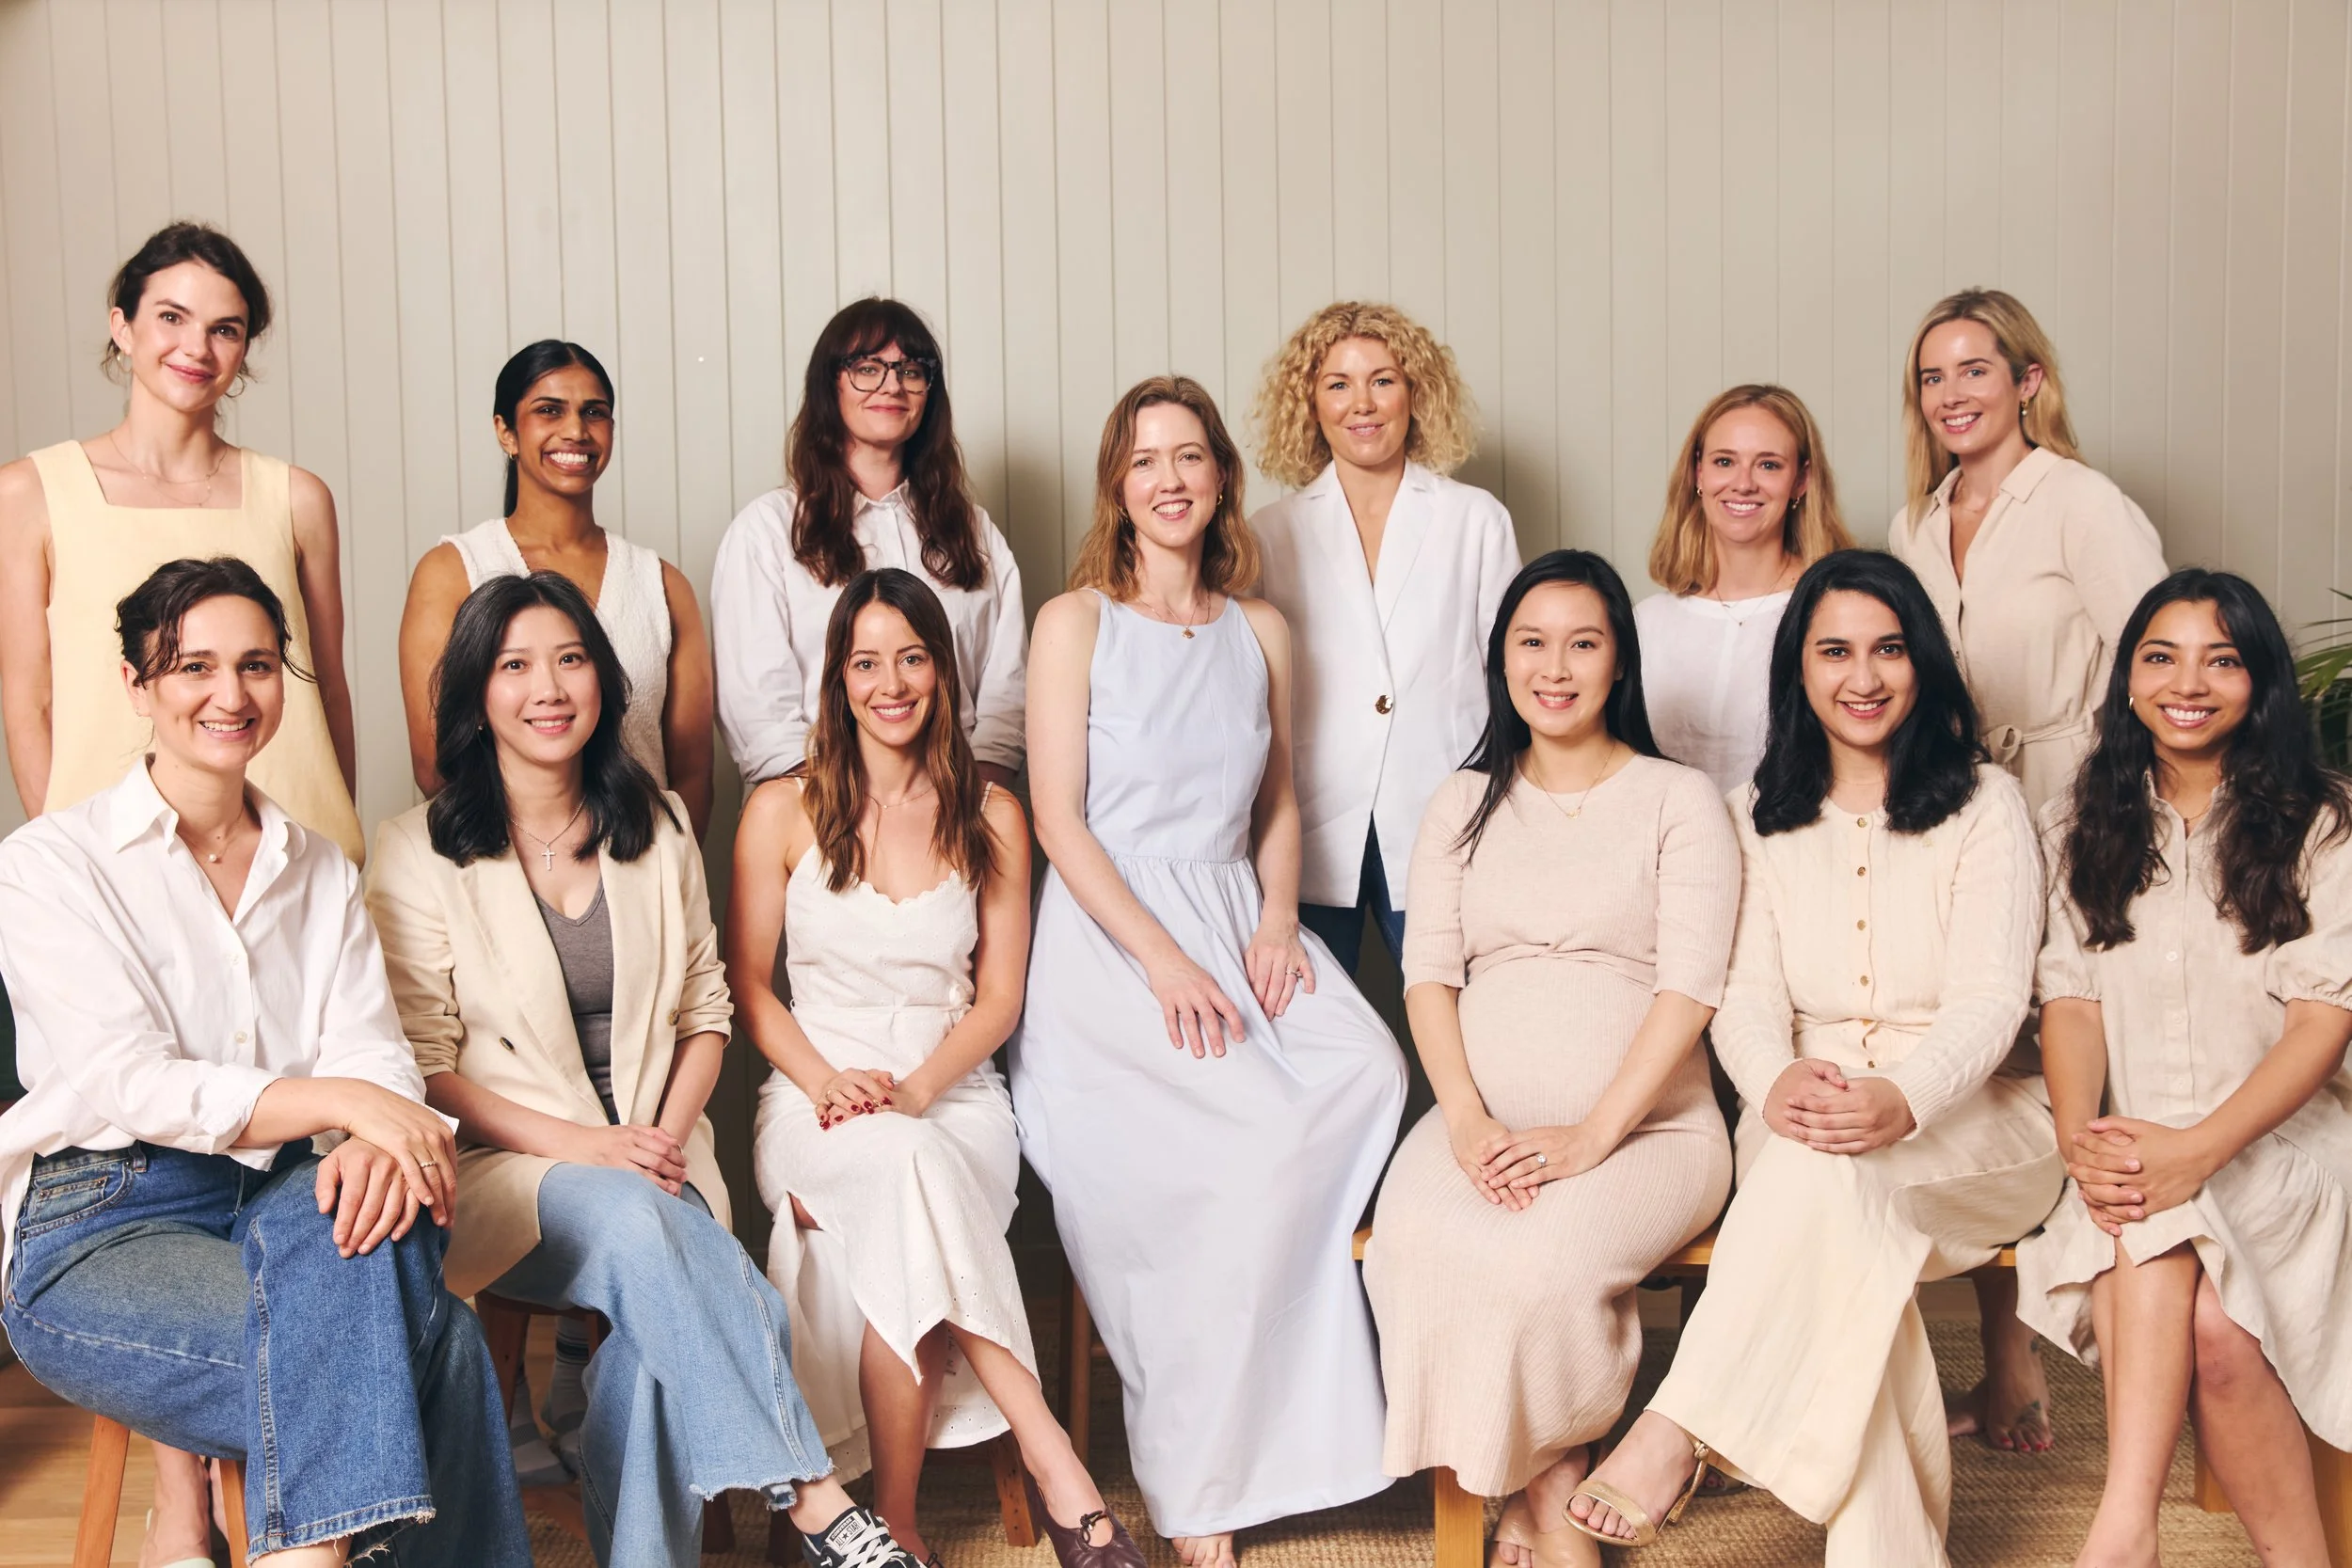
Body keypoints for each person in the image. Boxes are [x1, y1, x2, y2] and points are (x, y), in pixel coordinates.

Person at [363, 570, 921, 1568]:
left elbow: (708, 1010)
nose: (548, 687)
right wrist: (588, 1148)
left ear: (603, 682)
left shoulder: (656, 823)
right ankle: (817, 1497)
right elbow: (427, 1067)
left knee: (657, 1347)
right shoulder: (416, 850)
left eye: (570, 659)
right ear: (477, 694)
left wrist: (656, 1140)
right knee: (677, 1254)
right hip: (509, 1171)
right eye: (515, 665)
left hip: (661, 1157)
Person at [0, 556, 527, 1568]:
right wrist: (348, 1103)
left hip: (291, 1192)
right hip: (105, 1218)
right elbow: (129, 1079)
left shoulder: (320, 866)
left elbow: (373, 1046)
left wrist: (368, 1133)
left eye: (255, 664)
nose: (231, 693)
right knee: (441, 1350)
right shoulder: (50, 864)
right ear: (137, 683)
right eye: (193, 665)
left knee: (369, 1237)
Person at [1566, 550, 2063, 1568]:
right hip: (1802, 1111)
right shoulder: (1753, 811)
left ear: (1923, 662)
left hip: (1978, 1119)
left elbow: (1990, 1001)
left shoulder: (1986, 803)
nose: (1862, 676)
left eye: (1888, 649)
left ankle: (1680, 1421)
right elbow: (1744, 997)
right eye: (1834, 651)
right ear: (1798, 666)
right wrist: (1776, 1079)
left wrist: (1906, 1094)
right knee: (1850, 1231)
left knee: (1840, 1197)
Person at [1012, 376, 1407, 1568]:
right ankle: (1204, 1485)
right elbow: (1057, 817)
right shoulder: (1075, 621)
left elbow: (1278, 796)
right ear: (1118, 485)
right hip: (1113, 942)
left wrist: (1278, 920)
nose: (1169, 478)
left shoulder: (1260, 629)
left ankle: (1296, 1429)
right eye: (1145, 460)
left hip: (1237, 909)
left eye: (1189, 456)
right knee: (1239, 1154)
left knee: (1368, 1069)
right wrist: (1164, 959)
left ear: (1222, 476)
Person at [732, 567, 1146, 1568]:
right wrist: (827, 1080)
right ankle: (1056, 1466)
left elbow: (999, 998)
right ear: (837, 678)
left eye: (912, 658)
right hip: (816, 1094)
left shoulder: (992, 812)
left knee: (909, 1183)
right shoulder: (780, 809)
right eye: (866, 662)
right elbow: (749, 988)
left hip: (954, 1089)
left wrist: (916, 1089)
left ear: (943, 672)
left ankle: (891, 1525)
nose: (891, 683)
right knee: (906, 1178)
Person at [1364, 549, 1739, 1568]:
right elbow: (1427, 977)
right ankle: (1548, 1483)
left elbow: (1692, 988)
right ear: (1502, 660)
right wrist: (1466, 1121)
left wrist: (1591, 1135)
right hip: (1481, 1120)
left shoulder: (1677, 798)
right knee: (1413, 1246)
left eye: (1583, 643)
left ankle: (1551, 1485)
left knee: (1538, 1266)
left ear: (1619, 661)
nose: (1555, 667)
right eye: (1532, 642)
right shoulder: (1461, 802)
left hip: (1651, 1129)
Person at [2020, 569, 2352, 1568]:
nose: (2187, 683)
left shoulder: (2324, 824)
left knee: (2173, 1232)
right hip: (2134, 1147)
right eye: (2160, 657)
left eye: (2222, 659)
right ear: (2128, 677)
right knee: (2197, 1295)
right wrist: (2080, 1140)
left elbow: (2322, 1024)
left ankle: (2125, 1529)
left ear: (2261, 681)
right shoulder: (2077, 822)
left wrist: (2193, 1149)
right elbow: (2070, 1002)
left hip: (2286, 1144)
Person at [1887, 287, 2169, 1453]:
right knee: (1985, 1076)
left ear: (2027, 380)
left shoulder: (2082, 503)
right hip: (1960, 823)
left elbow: (2161, 661)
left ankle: (2142, 1356)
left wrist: (2113, 822)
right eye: (1933, 376)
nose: (1952, 394)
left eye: (1975, 369)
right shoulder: (1914, 524)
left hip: (2083, 814)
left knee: (2096, 1084)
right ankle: (2009, 1372)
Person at [0, 221, 360, 863]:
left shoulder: (297, 498)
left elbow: (325, 688)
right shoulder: (30, 493)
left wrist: (329, 848)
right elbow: (30, 702)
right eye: (172, 317)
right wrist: (64, 860)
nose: (197, 347)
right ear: (122, 326)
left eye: (225, 329)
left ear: (244, 349)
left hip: (286, 847)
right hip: (112, 855)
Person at [1248, 301, 1519, 973]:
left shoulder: (1476, 520)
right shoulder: (1270, 533)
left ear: (1415, 393)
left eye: (1383, 380)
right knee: (1307, 1019)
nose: (1361, 404)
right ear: (1310, 403)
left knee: (1458, 1011)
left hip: (1446, 810)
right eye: (1338, 383)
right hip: (1312, 821)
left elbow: (1513, 675)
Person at [398, 339, 716, 837]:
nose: (575, 430)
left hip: (639, 857)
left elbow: (693, 772)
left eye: (594, 412)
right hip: (501, 860)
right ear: (506, 431)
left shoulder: (662, 585)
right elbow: (436, 763)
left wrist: (661, 865)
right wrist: (540, 862)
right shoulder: (453, 572)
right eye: (549, 410)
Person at [713, 297, 1025, 793]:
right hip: (816, 812)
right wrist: (856, 816)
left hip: (960, 806)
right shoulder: (766, 532)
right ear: (830, 384)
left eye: (911, 370)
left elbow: (1007, 698)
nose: (892, 385)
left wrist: (965, 807)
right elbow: (762, 721)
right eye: (868, 368)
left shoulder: (974, 531)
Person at [1636, 384, 1854, 795]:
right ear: (1698, 473)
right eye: (1724, 461)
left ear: (1801, 480)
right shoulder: (1646, 622)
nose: (1743, 484)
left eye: (1768, 465)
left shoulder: (1834, 613)